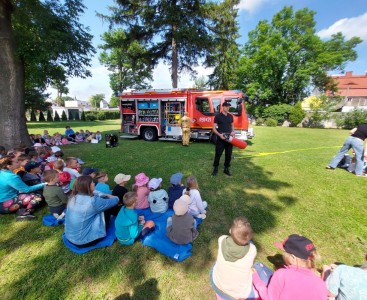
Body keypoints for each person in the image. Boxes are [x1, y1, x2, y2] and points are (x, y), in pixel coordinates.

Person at [252, 234, 328, 300]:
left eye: (285, 252)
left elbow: (269, 298)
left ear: (293, 258)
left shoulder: (282, 274)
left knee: (258, 266)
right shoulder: (321, 284)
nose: (283, 255)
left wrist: (256, 278)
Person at [64, 176, 119, 247]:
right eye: (92, 182)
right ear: (88, 186)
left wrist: (104, 194)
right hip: (84, 241)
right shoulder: (93, 201)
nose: (94, 183)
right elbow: (114, 201)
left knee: (103, 202)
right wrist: (115, 197)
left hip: (70, 237)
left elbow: (95, 192)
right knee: (106, 209)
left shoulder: (73, 197)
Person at [211, 217, 257, 300]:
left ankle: (221, 296)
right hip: (239, 294)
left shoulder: (221, 239)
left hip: (217, 284)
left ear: (230, 231)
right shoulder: (252, 250)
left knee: (215, 264)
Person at [212, 102, 235, 176]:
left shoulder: (230, 116)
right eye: (227, 106)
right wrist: (219, 135)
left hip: (229, 139)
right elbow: (214, 128)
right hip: (221, 138)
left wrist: (233, 132)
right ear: (223, 107)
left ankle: (226, 169)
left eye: (229, 107)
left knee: (228, 154)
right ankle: (215, 168)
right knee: (218, 154)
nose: (228, 108)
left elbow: (232, 125)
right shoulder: (218, 116)